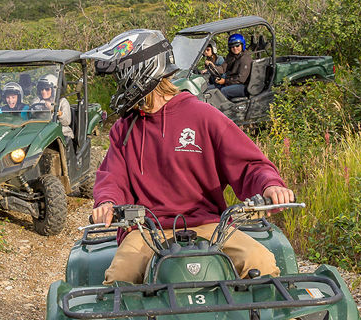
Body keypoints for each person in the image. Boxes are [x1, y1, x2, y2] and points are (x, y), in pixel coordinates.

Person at [81, 29, 296, 285]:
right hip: (147, 230)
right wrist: (106, 202)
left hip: (209, 225)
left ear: (141, 71)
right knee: (120, 277)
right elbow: (112, 177)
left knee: (261, 262)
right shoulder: (124, 129)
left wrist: (270, 185)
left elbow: (249, 164)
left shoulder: (203, 116)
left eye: (121, 76)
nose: (119, 86)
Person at [213, 33, 252, 99]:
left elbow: (241, 79)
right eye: (232, 46)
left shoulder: (245, 58)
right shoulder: (231, 56)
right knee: (213, 89)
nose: (235, 48)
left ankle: (224, 106)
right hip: (233, 82)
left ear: (242, 45)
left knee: (223, 91)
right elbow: (223, 68)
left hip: (243, 85)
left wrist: (225, 81)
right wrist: (213, 68)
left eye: (237, 46)